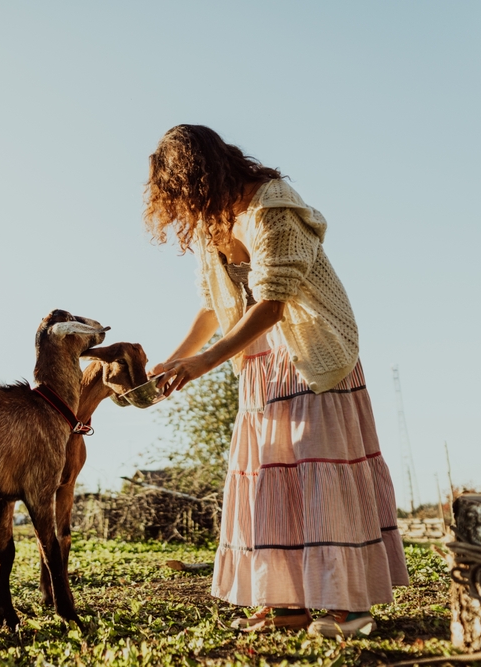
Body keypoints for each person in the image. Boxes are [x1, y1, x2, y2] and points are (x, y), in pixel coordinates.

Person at [145, 125, 408, 637]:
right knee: (271, 477)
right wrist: (174, 359)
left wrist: (205, 363)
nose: (178, 205)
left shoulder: (273, 205)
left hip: (312, 351)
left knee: (320, 474)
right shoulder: (208, 225)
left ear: (200, 175)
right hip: (259, 363)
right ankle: (287, 603)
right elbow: (211, 306)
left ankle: (348, 608)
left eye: (179, 189)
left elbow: (273, 302)